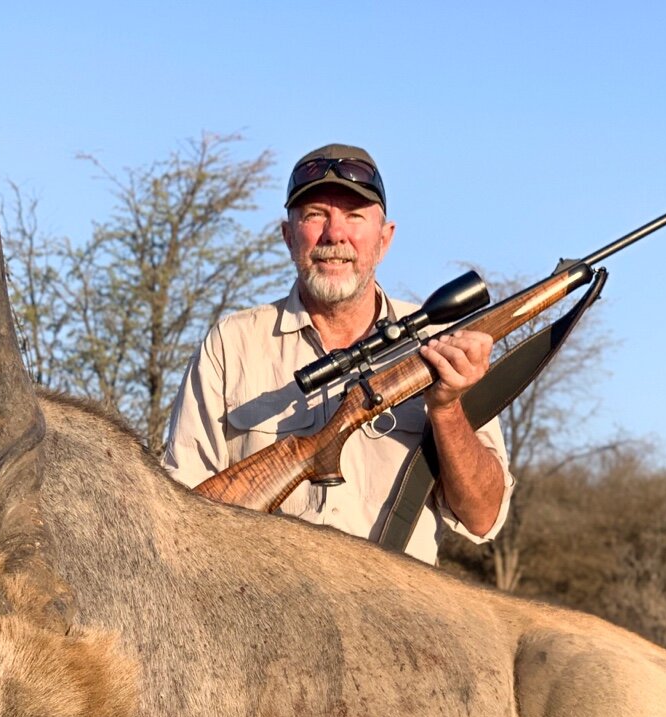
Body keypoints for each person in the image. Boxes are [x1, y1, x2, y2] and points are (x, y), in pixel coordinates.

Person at [162, 144, 513, 564]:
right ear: (288, 236)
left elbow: (483, 518)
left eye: (354, 215)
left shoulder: (444, 348)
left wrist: (447, 409)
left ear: (385, 239)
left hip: (400, 615)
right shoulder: (233, 341)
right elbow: (179, 513)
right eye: (314, 215)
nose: (335, 234)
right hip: (263, 607)